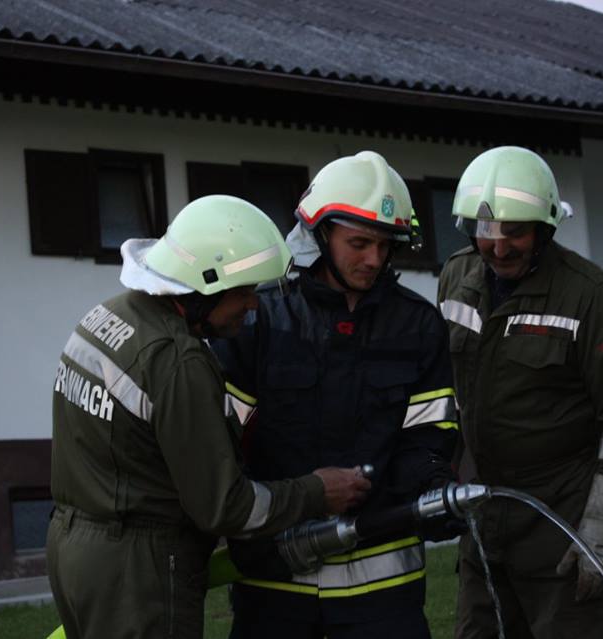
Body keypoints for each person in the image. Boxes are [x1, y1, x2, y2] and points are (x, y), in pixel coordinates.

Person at [46, 195, 372, 639]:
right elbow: (227, 508)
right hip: (138, 573)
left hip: (73, 547)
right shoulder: (178, 360)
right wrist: (317, 491)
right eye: (244, 292)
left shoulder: (110, 316)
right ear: (206, 285)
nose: (253, 305)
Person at [212, 151, 460, 639]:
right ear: (320, 234)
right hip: (275, 582)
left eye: (385, 245)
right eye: (359, 243)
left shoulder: (417, 325)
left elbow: (427, 436)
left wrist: (432, 486)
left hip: (384, 591)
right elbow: (223, 444)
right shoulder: (260, 319)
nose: (375, 260)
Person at [436, 146, 603, 638]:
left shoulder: (591, 295)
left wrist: (602, 530)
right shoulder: (455, 278)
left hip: (564, 520)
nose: (498, 247)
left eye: (515, 232)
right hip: (485, 515)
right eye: (486, 231)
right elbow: (445, 388)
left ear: (545, 229)